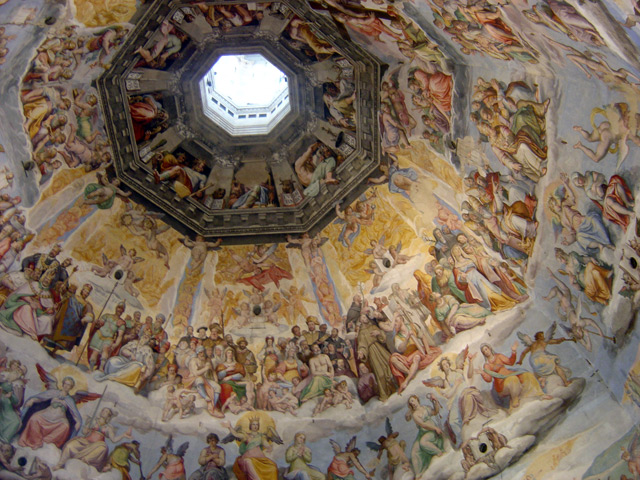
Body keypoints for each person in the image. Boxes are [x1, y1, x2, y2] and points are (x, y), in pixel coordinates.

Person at [55, 407, 132, 471]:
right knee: (70, 446)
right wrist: (85, 430)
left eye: (106, 412)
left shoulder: (108, 428)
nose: (103, 412)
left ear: (108, 416)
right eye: (103, 410)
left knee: (103, 448)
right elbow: (84, 432)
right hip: (85, 441)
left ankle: (81, 462)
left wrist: (123, 435)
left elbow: (114, 440)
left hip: (97, 445)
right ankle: (60, 464)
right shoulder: (93, 420)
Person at [479, 342, 548, 410]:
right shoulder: (487, 365)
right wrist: (483, 373)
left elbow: (510, 362)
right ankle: (515, 399)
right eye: (484, 351)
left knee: (527, 375)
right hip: (501, 384)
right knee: (513, 379)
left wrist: (513, 352)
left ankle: (540, 394)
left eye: (486, 349)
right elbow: (489, 379)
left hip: (509, 374)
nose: (486, 352)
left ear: (489, 348)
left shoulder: (499, 356)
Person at [405, 395, 444, 476]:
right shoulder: (415, 414)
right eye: (410, 403)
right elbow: (423, 425)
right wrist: (435, 428)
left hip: (431, 431)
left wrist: (435, 402)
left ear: (417, 399)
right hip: (423, 432)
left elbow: (435, 412)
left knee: (423, 442)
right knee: (414, 452)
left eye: (412, 400)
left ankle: (438, 452)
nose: (412, 403)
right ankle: (419, 474)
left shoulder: (426, 408)